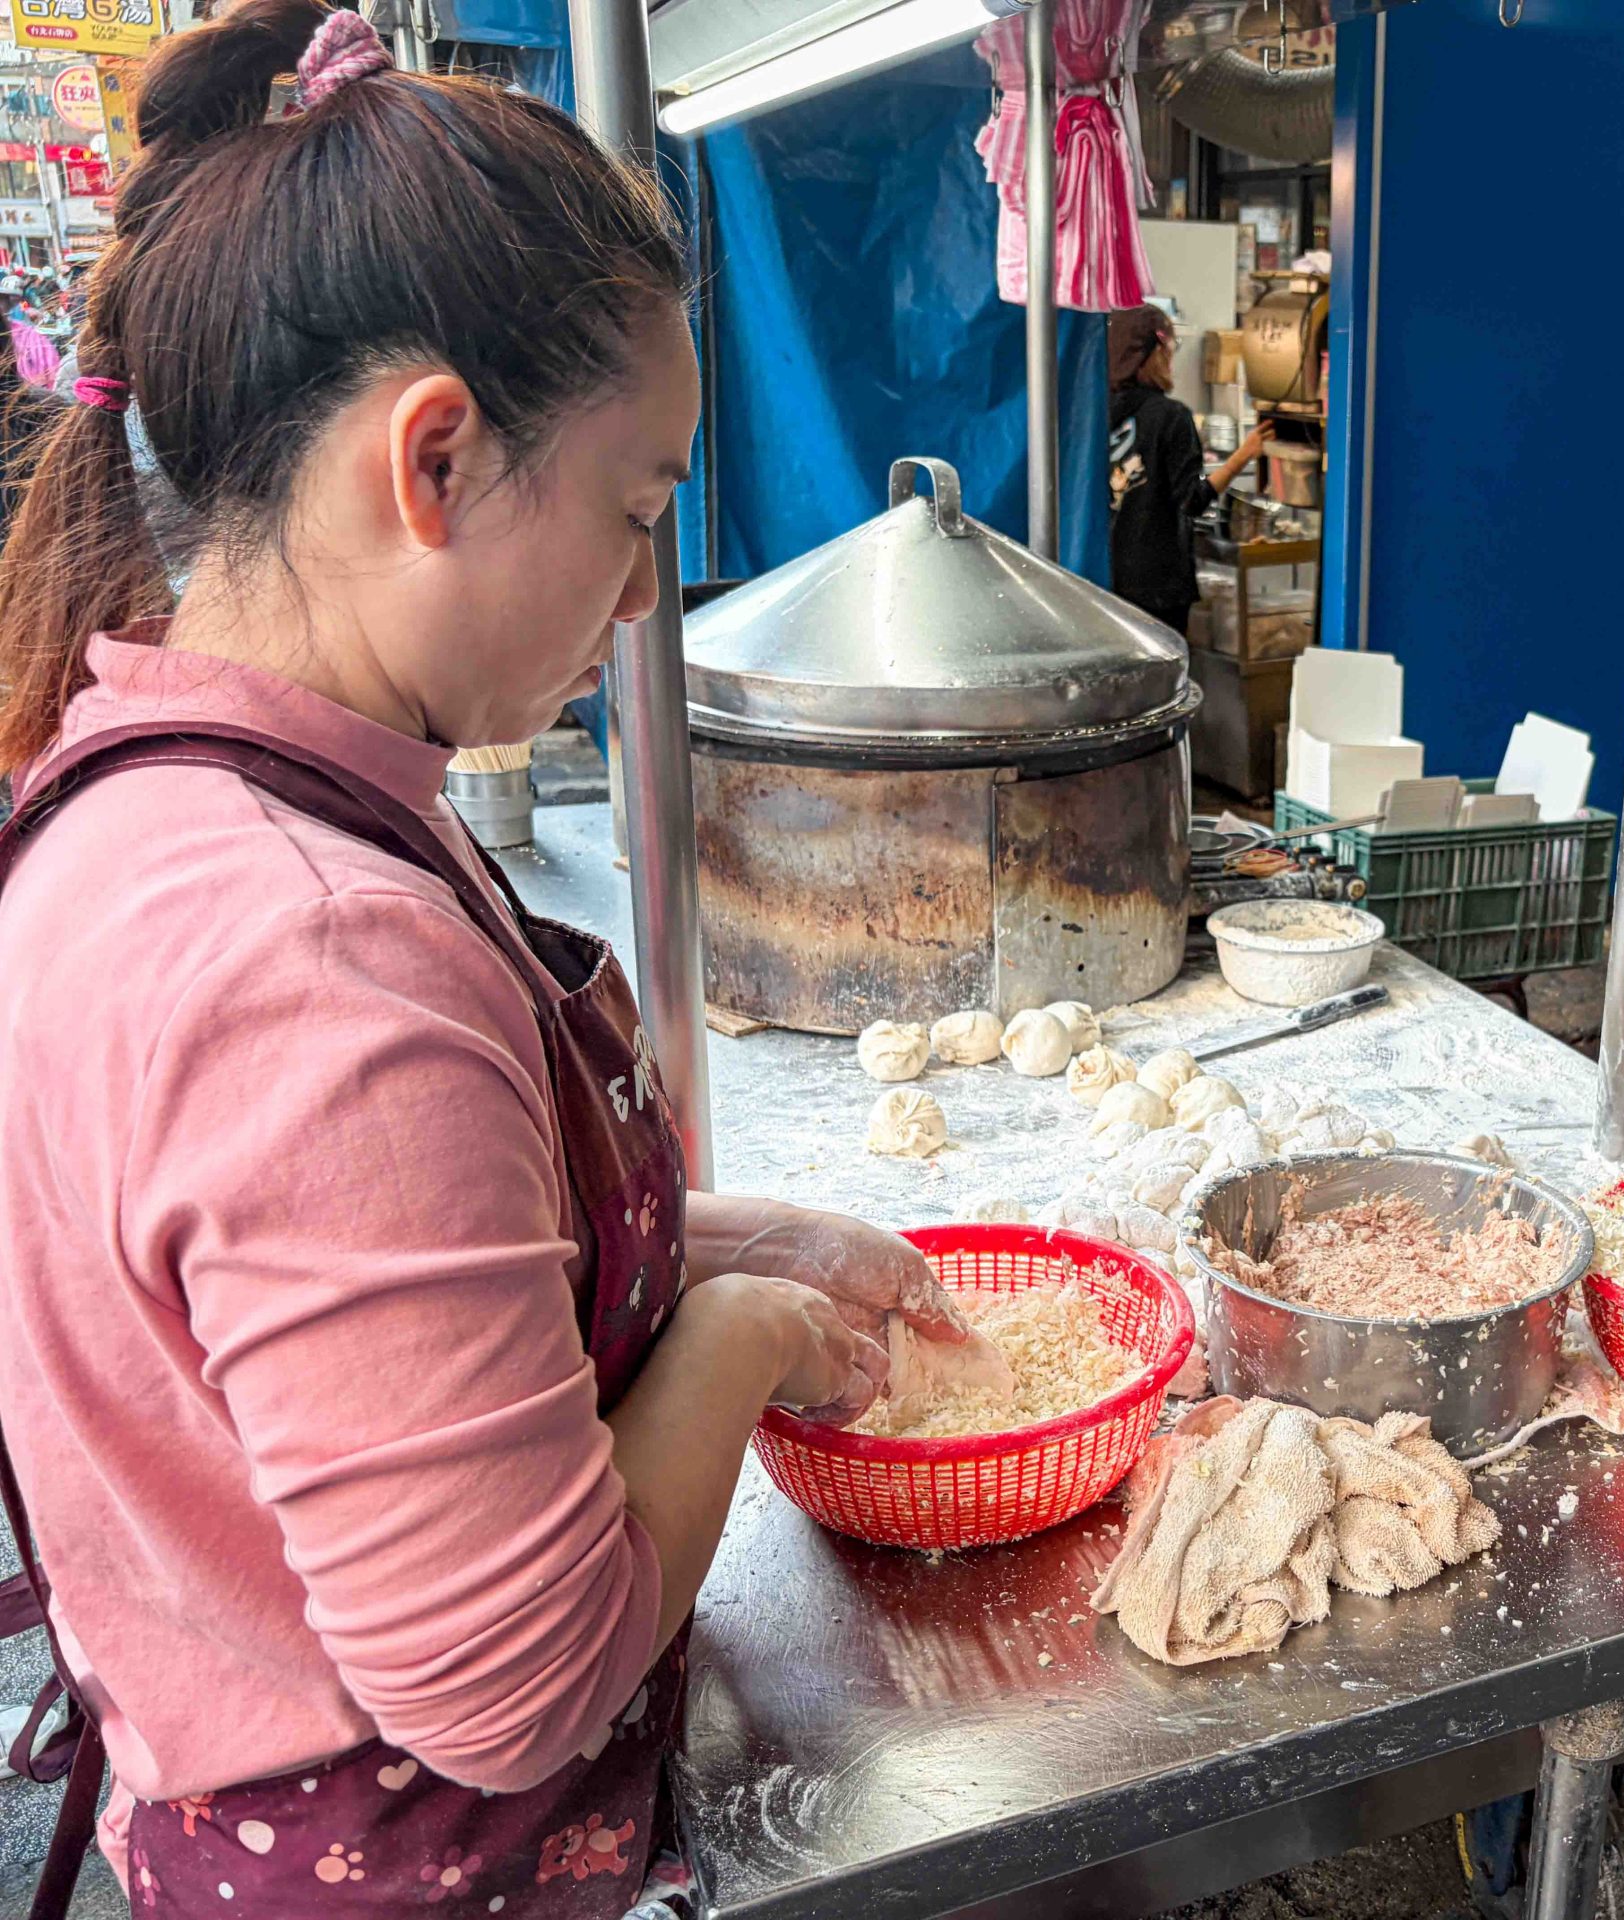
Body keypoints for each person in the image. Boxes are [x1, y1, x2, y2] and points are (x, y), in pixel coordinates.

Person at [0, 7, 974, 1916]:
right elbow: (511, 1684)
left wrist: (718, 1240)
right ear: (432, 459)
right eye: (632, 515)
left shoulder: (152, 786)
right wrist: (746, 1337)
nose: (638, 601)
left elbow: (296, 1321)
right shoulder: (314, 955)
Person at [1106, 302, 1269, 636]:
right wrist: (1244, 455)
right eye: (1170, 348)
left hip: (1104, 580)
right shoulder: (1170, 417)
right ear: (1153, 353)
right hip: (1159, 584)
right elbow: (1192, 500)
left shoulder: (1092, 414)